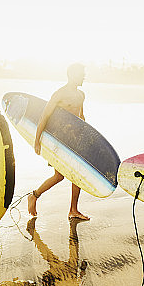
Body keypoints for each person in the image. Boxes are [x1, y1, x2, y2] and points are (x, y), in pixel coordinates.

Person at [28, 63, 90, 220]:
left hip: (74, 140)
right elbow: (45, 116)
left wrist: (88, 137)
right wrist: (37, 140)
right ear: (72, 75)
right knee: (60, 176)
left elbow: (81, 117)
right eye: (82, 73)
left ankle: (73, 210)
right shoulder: (59, 94)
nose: (84, 76)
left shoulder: (81, 95)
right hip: (60, 141)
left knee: (75, 174)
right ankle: (34, 196)